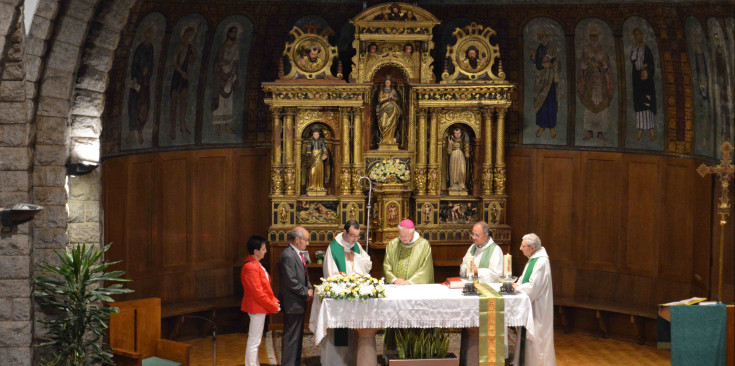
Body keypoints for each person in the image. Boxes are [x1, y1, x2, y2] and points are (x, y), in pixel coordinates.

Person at [320, 220, 372, 366]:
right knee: (340, 330)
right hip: (341, 297)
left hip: (356, 295)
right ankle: (337, 362)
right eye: (352, 236)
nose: (355, 239)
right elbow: (330, 273)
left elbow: (368, 265)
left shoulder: (357, 246)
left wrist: (355, 257)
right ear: (344, 232)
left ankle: (353, 360)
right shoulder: (334, 248)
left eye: (357, 236)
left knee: (355, 330)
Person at [512, 233, 556, 366]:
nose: (520, 248)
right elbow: (525, 278)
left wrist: (518, 288)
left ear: (532, 248)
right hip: (532, 305)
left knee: (538, 340)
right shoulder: (534, 259)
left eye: (523, 246)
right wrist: (516, 284)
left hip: (538, 307)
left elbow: (533, 287)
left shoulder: (541, 261)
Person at [240, 236, 280, 366]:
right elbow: (257, 293)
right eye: (263, 249)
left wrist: (273, 301)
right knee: (254, 340)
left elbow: (264, 288)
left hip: (259, 306)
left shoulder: (256, 264)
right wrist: (272, 306)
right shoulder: (250, 267)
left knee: (255, 340)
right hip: (256, 307)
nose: (265, 251)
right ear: (255, 251)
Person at [279, 227, 313, 366]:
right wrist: (306, 292)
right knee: (291, 338)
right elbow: (290, 281)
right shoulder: (288, 255)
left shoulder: (298, 253)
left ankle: (296, 363)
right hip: (292, 303)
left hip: (299, 302)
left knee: (298, 338)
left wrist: (309, 287)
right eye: (306, 239)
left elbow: (304, 275)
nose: (308, 243)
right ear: (297, 240)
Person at [577, 24, 615, 142]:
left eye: (596, 36)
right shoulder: (586, 50)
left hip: (601, 83)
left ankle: (600, 133)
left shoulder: (603, 50)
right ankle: (589, 132)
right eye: (592, 36)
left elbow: (607, 66)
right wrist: (586, 62)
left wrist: (601, 65)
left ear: (598, 37)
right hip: (590, 83)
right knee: (589, 106)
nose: (594, 38)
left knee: (602, 107)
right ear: (589, 37)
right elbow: (582, 66)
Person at [127, 26, 156, 145]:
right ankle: (132, 131)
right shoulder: (139, 48)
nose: (149, 35)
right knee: (133, 106)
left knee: (144, 107)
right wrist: (135, 76)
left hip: (145, 83)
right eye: (147, 32)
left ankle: (140, 130)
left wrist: (148, 71)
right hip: (137, 81)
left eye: (151, 33)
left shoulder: (151, 48)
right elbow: (134, 64)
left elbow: (152, 64)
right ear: (145, 34)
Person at [169, 24, 198, 140]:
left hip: (185, 77)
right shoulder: (179, 47)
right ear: (184, 34)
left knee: (184, 102)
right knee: (174, 103)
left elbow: (191, 64)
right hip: (178, 76)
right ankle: (172, 129)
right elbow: (174, 63)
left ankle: (182, 125)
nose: (189, 37)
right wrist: (181, 73)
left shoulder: (190, 48)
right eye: (188, 34)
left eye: (191, 35)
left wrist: (194, 55)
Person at [383, 219, 433, 285]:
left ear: (413, 232)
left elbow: (425, 269)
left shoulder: (424, 245)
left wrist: (409, 282)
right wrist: (394, 280)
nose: (402, 238)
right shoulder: (392, 244)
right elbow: (386, 265)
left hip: (415, 287)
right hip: (396, 286)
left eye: (405, 236)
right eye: (401, 236)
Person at [211, 24, 240, 136]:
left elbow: (236, 62)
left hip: (230, 76)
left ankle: (227, 126)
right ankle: (217, 127)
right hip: (220, 75)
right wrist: (223, 63)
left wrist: (232, 74)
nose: (234, 34)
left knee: (228, 101)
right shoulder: (222, 47)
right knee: (219, 101)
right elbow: (217, 62)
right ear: (228, 33)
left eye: (236, 33)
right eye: (233, 32)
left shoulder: (236, 47)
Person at [530, 31, 559, 139]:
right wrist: (533, 58)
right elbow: (535, 63)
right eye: (541, 38)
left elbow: (557, 63)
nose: (543, 40)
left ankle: (551, 127)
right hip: (540, 80)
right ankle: (541, 126)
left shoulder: (552, 49)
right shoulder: (539, 49)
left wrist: (552, 65)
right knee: (540, 103)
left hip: (550, 80)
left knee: (551, 102)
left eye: (545, 37)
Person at [630, 28, 657, 141]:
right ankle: (640, 130)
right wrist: (636, 50)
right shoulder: (635, 49)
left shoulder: (647, 49)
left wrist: (646, 69)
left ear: (642, 35)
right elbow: (633, 61)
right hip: (638, 81)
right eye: (636, 35)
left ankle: (651, 130)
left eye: (639, 34)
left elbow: (651, 64)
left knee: (647, 104)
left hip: (646, 81)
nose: (638, 37)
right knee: (640, 104)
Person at [302, 127, 330, 192]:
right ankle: (312, 185)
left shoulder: (321, 141)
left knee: (320, 172)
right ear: (313, 135)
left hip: (320, 158)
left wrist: (324, 155)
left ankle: (319, 186)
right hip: (312, 158)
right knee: (312, 172)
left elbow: (324, 149)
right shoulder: (310, 141)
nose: (316, 136)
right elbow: (308, 151)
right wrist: (309, 156)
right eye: (315, 134)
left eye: (317, 134)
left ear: (319, 135)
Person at [376, 76, 402, 145]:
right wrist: (388, 97)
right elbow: (380, 100)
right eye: (386, 83)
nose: (387, 84)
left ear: (390, 83)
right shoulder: (382, 91)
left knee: (392, 124)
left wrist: (393, 98)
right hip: (384, 109)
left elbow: (397, 99)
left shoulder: (393, 91)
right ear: (385, 83)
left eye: (389, 83)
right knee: (383, 124)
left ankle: (390, 139)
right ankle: (384, 139)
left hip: (393, 109)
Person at [447, 127, 470, 192]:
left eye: (458, 133)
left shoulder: (464, 140)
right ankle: (453, 186)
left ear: (460, 133)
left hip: (461, 156)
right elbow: (449, 152)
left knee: (462, 171)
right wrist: (450, 144)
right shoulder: (451, 140)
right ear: (453, 134)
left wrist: (467, 152)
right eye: (455, 133)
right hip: (454, 156)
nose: (457, 134)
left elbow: (467, 148)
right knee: (454, 171)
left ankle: (462, 185)